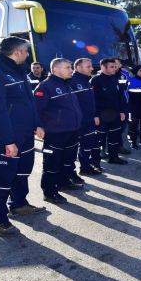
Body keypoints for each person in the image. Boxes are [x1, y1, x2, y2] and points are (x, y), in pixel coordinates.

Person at [0, 37, 46, 237]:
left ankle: (19, 204)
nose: (27, 54)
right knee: (2, 178)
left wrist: (36, 125)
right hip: (7, 137)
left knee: (22, 171)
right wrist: (8, 141)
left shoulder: (19, 71)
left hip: (25, 133)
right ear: (16, 52)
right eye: (25, 50)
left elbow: (29, 102)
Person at [34, 58, 83, 204]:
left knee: (68, 161)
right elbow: (36, 110)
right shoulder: (45, 86)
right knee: (52, 164)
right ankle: (49, 192)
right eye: (68, 67)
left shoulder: (67, 84)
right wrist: (38, 126)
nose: (71, 70)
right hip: (55, 134)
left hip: (72, 130)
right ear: (55, 69)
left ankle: (64, 182)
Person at [69, 58, 103, 176]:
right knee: (84, 146)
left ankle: (88, 166)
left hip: (90, 119)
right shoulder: (72, 82)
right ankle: (84, 168)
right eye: (88, 66)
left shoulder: (86, 81)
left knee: (90, 144)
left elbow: (91, 102)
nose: (92, 68)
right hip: (80, 121)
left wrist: (95, 115)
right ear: (78, 68)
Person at [90, 58, 128, 164]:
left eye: (115, 66)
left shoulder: (117, 78)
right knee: (99, 139)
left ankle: (114, 157)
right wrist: (95, 115)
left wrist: (122, 111)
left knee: (114, 137)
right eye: (112, 67)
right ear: (103, 67)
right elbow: (93, 100)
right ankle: (95, 162)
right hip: (102, 115)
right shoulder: (95, 80)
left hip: (115, 114)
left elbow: (121, 96)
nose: (114, 69)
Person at [114, 58, 133, 155]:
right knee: (109, 127)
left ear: (120, 65)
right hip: (111, 106)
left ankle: (120, 146)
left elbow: (131, 87)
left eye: (116, 63)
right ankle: (104, 149)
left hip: (124, 104)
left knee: (122, 126)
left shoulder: (125, 74)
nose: (114, 65)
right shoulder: (106, 74)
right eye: (113, 63)